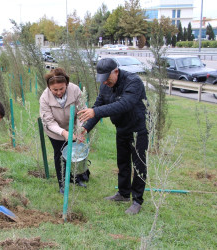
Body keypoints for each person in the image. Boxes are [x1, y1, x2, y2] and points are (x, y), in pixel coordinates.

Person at [78, 58, 148, 214]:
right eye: (102, 80)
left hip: (138, 129)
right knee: (123, 162)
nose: (105, 83)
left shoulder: (133, 82)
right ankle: (123, 194)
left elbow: (125, 104)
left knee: (139, 165)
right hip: (122, 128)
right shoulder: (105, 87)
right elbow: (98, 106)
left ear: (116, 71)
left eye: (107, 79)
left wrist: (96, 111)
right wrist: (85, 129)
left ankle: (137, 200)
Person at [40, 68, 89, 194]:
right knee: (60, 156)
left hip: (73, 127)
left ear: (66, 84)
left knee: (75, 153)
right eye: (54, 90)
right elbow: (49, 122)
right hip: (55, 131)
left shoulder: (75, 90)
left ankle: (76, 178)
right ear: (49, 87)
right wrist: (63, 133)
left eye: (61, 88)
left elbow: (82, 111)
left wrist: (79, 130)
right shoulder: (44, 98)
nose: (58, 92)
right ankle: (62, 183)